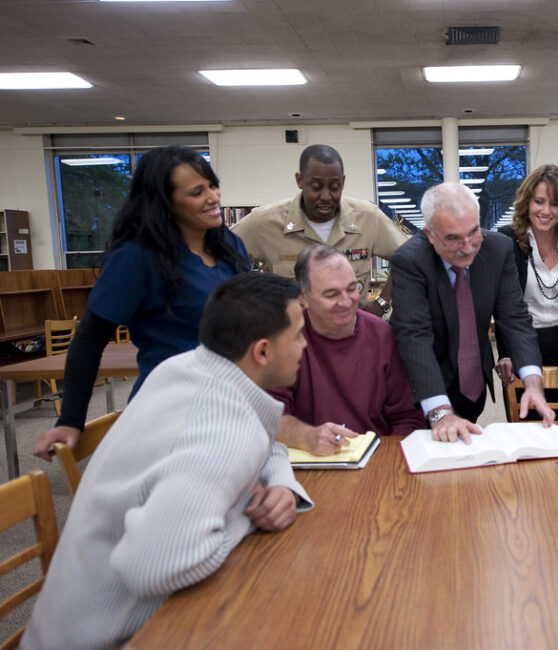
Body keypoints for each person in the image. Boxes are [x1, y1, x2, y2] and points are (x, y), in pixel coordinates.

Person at [21, 273, 314, 650]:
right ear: (262, 351)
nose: (306, 345)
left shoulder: (185, 369)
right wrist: (244, 513)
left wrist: (280, 483)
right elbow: (156, 566)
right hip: (116, 637)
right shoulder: (223, 429)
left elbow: (264, 438)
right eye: (299, 335)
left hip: (60, 628)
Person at [33, 145, 250, 460]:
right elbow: (90, 339)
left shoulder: (229, 246)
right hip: (171, 411)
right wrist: (70, 419)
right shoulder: (137, 259)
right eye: (197, 192)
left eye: (213, 185)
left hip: (232, 401)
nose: (213, 198)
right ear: (165, 202)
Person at [390, 182, 555, 444]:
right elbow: (414, 336)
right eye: (453, 238)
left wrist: (533, 384)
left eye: (473, 232)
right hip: (423, 386)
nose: (467, 248)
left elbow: (514, 318)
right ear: (429, 234)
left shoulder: (499, 249)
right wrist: (440, 412)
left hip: (471, 384)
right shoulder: (410, 261)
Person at [269, 244, 425, 453]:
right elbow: (269, 417)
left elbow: (407, 417)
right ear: (303, 297)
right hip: (309, 458)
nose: (346, 302)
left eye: (352, 288)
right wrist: (307, 436)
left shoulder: (384, 335)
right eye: (331, 294)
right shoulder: (282, 339)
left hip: (376, 457)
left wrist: (387, 466)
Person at [232, 144, 408, 317]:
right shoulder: (264, 223)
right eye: (316, 187)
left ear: (343, 182)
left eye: (334, 187)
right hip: (293, 338)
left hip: (351, 334)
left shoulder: (367, 218)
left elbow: (410, 259)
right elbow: (216, 254)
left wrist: (382, 302)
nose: (325, 196)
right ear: (300, 180)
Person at [495, 164, 558, 421]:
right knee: (524, 425)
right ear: (527, 202)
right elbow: (502, 304)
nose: (546, 211)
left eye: (555, 203)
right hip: (521, 344)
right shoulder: (506, 240)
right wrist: (505, 352)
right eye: (539, 201)